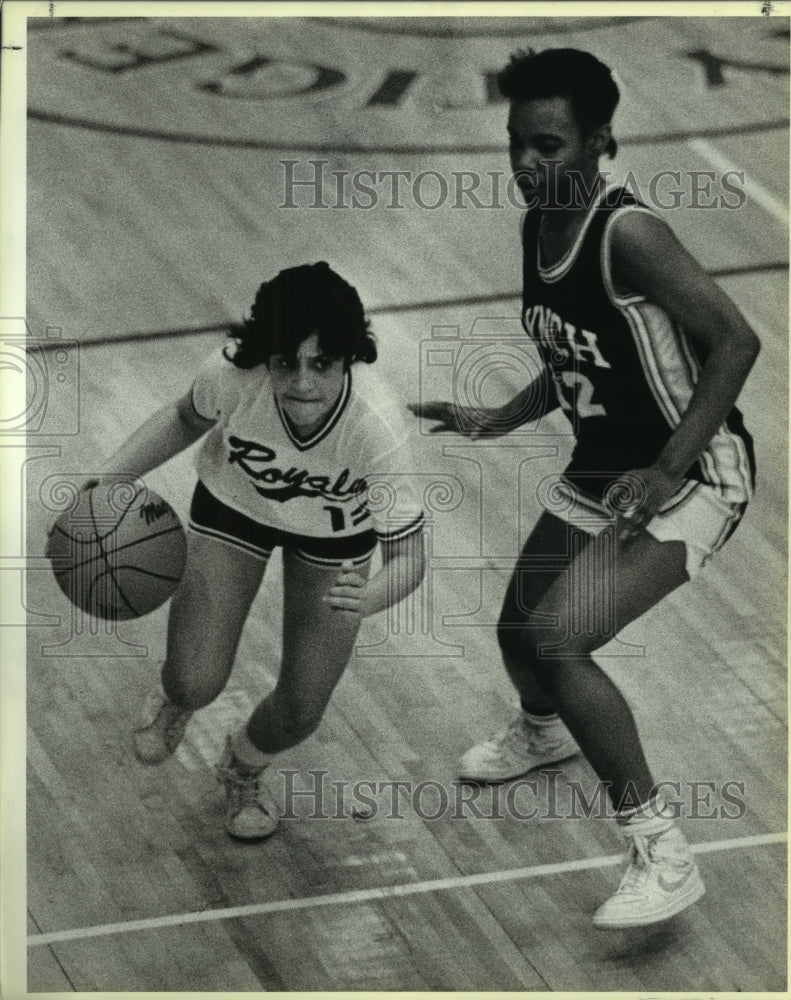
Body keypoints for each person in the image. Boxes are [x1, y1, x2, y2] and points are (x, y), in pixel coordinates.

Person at [409, 48, 759, 929]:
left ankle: (662, 852)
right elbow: (571, 350)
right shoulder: (540, 223)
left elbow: (735, 344)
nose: (527, 163)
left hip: (691, 467)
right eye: (517, 143)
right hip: (603, 462)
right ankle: (545, 731)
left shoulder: (627, 234)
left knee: (561, 640)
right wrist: (500, 417)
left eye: (549, 144)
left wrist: (667, 468)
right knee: (518, 635)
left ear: (601, 141)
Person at [91, 261, 425, 840]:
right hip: (234, 509)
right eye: (284, 361)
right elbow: (180, 418)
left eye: (320, 363)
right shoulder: (232, 374)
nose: (301, 381)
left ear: (349, 357)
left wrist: (369, 597)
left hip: (336, 538)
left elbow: (412, 557)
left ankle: (243, 765)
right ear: (263, 354)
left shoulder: (377, 424)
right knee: (195, 680)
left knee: (301, 711)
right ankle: (176, 700)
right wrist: (108, 480)